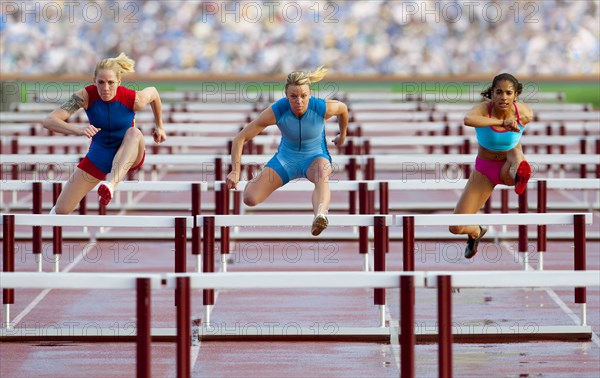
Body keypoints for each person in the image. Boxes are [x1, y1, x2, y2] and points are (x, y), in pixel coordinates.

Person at [225, 66, 348, 236]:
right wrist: (235, 171)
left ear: (309, 95)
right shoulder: (277, 111)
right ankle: (256, 184)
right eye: (293, 97)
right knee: (250, 199)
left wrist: (342, 136)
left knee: (322, 174)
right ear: (286, 96)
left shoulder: (321, 107)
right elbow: (240, 138)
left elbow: (343, 109)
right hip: (285, 160)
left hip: (315, 158)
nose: (299, 101)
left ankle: (320, 215)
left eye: (303, 96)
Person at [42, 52, 166, 214]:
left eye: (111, 83)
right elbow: (50, 120)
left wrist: (159, 126)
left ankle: (110, 185)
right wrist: (78, 130)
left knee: (134, 133)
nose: (105, 88)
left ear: (119, 82)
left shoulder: (134, 99)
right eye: (101, 82)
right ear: (94, 81)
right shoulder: (84, 96)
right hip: (100, 155)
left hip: (129, 153)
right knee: (62, 209)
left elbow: (154, 93)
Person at [450, 73, 533, 258]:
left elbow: (529, 116)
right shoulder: (482, 109)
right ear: (492, 94)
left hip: (508, 166)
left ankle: (520, 174)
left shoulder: (523, 113)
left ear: (515, 95)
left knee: (515, 151)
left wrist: (512, 122)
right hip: (484, 171)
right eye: (499, 92)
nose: (504, 97)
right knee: (455, 227)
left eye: (508, 93)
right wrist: (501, 122)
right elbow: (468, 120)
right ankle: (476, 231)